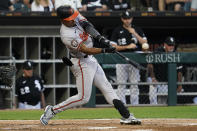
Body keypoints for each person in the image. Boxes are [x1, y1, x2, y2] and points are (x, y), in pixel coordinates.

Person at [40, 5, 141, 126]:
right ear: (63, 20)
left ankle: (127, 116)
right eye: (70, 18)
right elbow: (85, 50)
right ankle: (51, 110)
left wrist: (100, 38)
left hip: (91, 60)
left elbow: (87, 25)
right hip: (81, 63)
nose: (74, 19)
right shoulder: (66, 35)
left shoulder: (74, 15)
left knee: (108, 89)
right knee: (83, 97)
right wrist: (104, 50)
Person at [110, 11, 148, 105]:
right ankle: (122, 106)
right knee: (121, 85)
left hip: (134, 60)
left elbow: (145, 43)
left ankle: (135, 105)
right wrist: (127, 47)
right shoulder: (117, 30)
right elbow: (113, 47)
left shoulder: (137, 29)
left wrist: (134, 33)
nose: (127, 20)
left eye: (129, 18)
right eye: (125, 18)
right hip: (121, 59)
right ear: (122, 19)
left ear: (132, 19)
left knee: (134, 85)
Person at [147, 36, 183, 104]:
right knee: (152, 98)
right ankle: (153, 111)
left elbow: (179, 71)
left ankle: (160, 113)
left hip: (167, 81)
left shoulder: (175, 54)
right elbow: (150, 65)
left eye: (172, 45)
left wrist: (180, 85)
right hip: (155, 79)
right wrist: (153, 77)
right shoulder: (158, 51)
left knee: (162, 101)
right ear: (165, 45)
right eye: (169, 45)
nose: (171, 47)